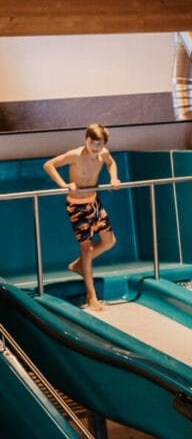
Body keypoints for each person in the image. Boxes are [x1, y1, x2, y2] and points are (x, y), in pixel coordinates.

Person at [42, 123, 120, 312]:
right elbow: (49, 164)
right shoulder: (76, 155)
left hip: (94, 202)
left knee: (109, 241)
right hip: (77, 207)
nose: (95, 147)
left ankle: (79, 265)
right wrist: (64, 184)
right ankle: (91, 296)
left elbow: (111, 163)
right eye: (92, 142)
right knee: (86, 250)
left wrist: (113, 178)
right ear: (86, 140)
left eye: (99, 144)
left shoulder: (104, 154)